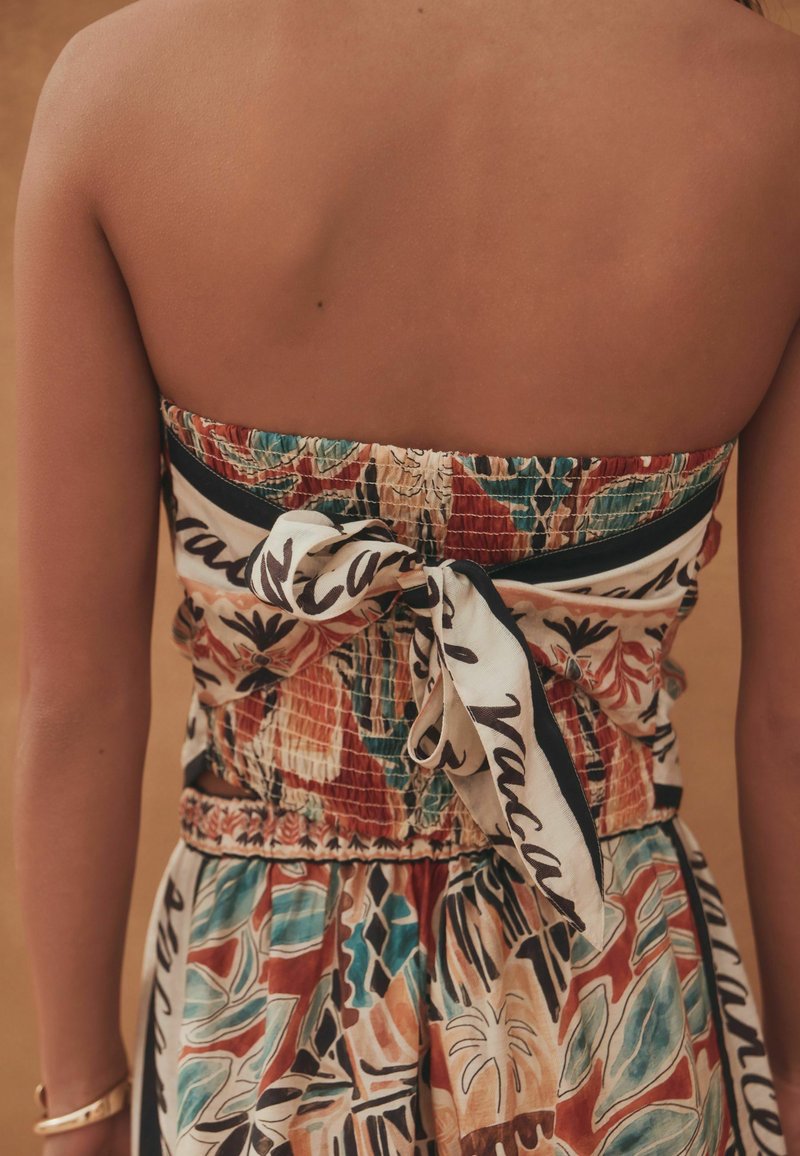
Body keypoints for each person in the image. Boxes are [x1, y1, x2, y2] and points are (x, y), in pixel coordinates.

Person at [12, 0, 800, 1151]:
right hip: (617, 1007)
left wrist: (83, 1106)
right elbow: (787, 719)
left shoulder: (119, 93)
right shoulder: (768, 110)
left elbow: (73, 695)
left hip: (258, 1017)